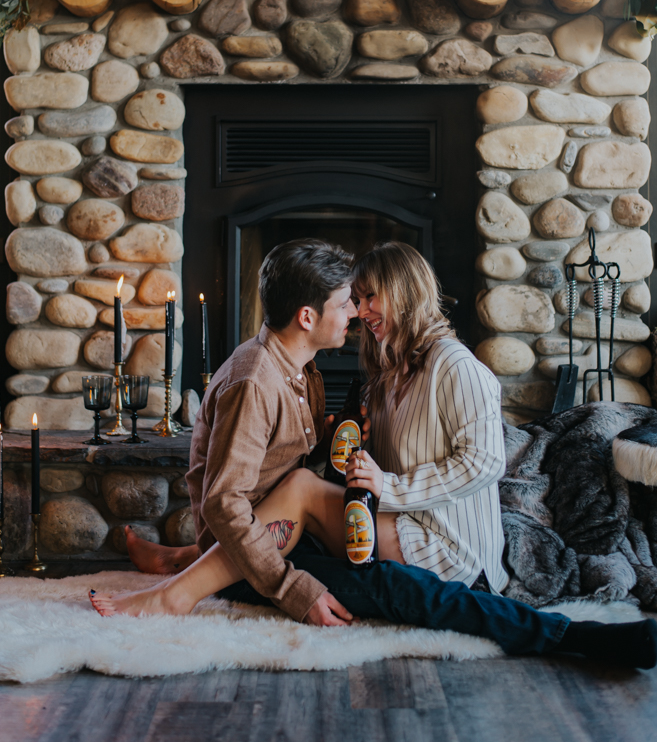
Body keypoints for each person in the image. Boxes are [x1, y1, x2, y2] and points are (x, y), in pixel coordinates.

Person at [88, 239, 657, 669]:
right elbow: (233, 497)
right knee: (304, 547)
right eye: (349, 301)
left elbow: (481, 463)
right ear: (308, 316)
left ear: (403, 295)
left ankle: (184, 572)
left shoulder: (448, 367)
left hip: (436, 543)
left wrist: (381, 484)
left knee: (373, 573)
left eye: (365, 298)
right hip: (388, 522)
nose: (357, 311)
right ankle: (186, 574)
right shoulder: (284, 377)